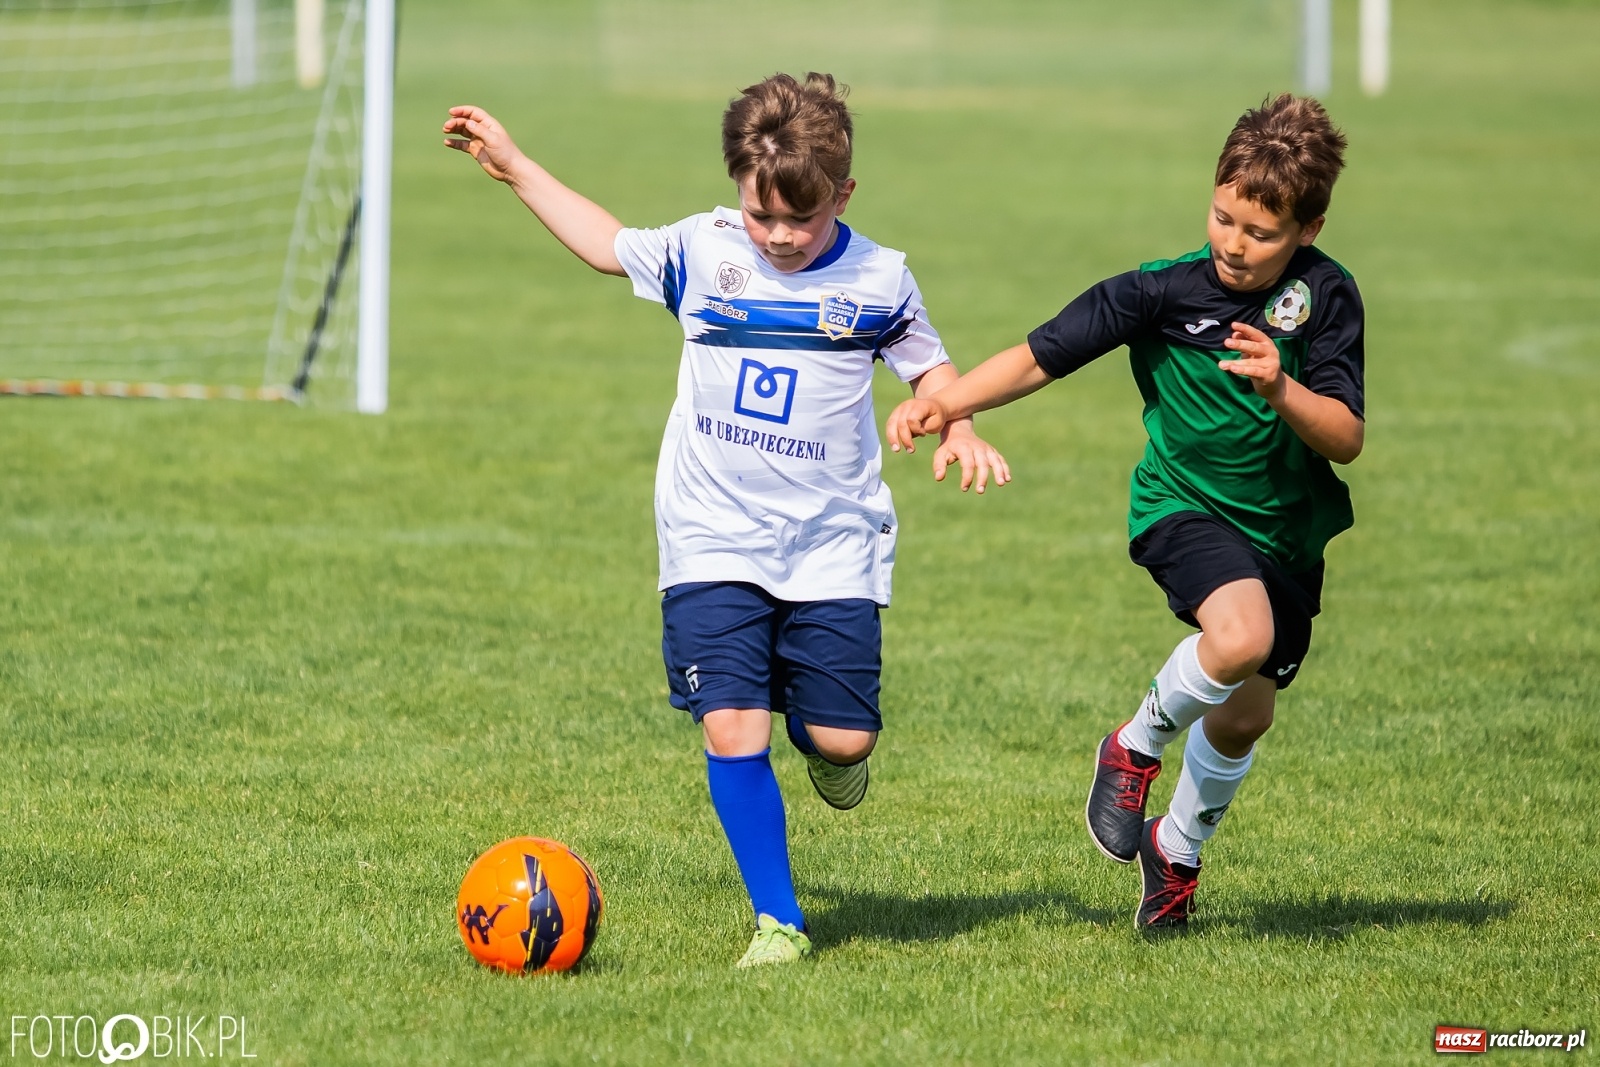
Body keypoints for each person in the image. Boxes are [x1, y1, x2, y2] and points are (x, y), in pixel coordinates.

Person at [444, 72, 1009, 965]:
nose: (780, 236)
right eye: (762, 215)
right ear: (737, 189)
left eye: (802, 219)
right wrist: (516, 167)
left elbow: (933, 373)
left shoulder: (879, 278)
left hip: (832, 541)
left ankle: (827, 746)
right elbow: (606, 244)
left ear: (844, 195)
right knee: (732, 723)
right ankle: (779, 919)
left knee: (843, 733)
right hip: (710, 532)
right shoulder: (704, 251)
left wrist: (960, 425)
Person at [885, 94, 1362, 931]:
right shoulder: (1159, 293)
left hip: (1285, 533)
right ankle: (1134, 744)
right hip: (1182, 509)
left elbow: (1347, 436)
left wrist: (1282, 387)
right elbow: (1041, 357)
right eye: (1223, 218)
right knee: (1240, 636)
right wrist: (945, 404)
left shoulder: (1326, 299)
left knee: (1245, 712)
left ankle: (1174, 852)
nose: (1235, 243)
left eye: (1260, 232)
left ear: (1308, 230)